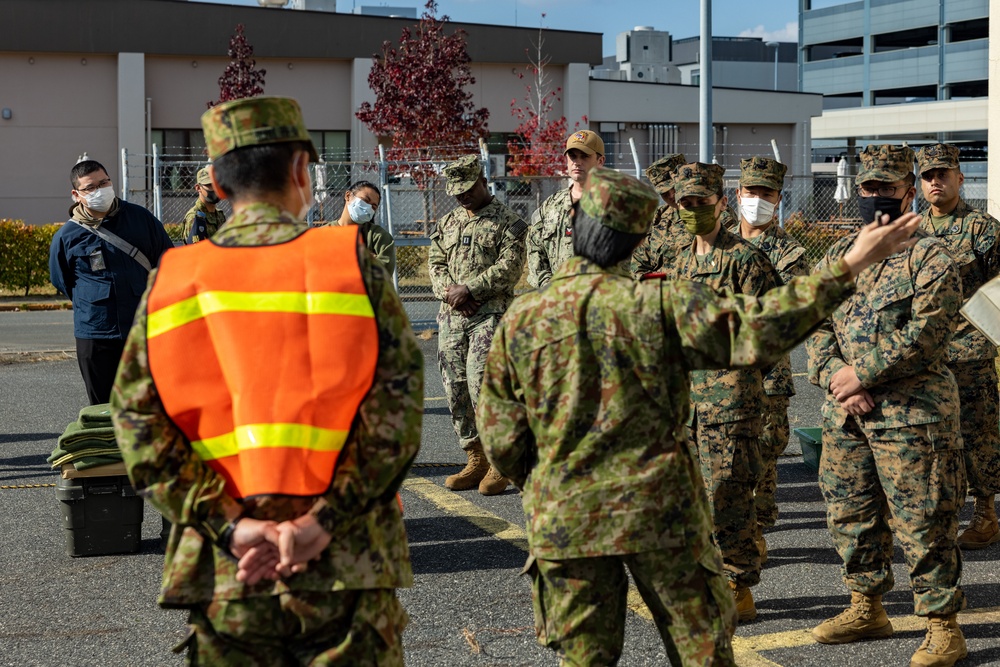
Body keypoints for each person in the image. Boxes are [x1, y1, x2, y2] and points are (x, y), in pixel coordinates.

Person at [477, 166, 924, 667]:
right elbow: (763, 327)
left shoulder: (522, 318)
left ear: (573, 225)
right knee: (702, 652)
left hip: (566, 517)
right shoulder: (659, 303)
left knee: (584, 658)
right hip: (661, 509)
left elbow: (501, 439)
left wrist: (551, 480)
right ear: (638, 236)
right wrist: (850, 264)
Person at [110, 96, 423, 666]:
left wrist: (231, 527)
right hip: (347, 566)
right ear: (303, 170)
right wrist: (320, 523)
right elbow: (396, 424)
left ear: (218, 185)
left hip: (227, 571)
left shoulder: (173, 281)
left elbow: (138, 430)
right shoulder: (353, 266)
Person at [806, 144, 967, 667]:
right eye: (868, 187)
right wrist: (838, 378)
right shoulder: (841, 258)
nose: (876, 196)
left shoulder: (931, 256)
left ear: (907, 191)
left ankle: (943, 626)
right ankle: (865, 606)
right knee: (850, 513)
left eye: (888, 188)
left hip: (913, 413)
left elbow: (930, 332)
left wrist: (863, 372)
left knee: (924, 518)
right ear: (858, 190)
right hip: (847, 414)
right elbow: (816, 325)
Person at [661, 162, 780, 623]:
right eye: (685, 202)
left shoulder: (745, 260)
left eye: (701, 202)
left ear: (720, 202)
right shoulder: (676, 261)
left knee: (729, 496)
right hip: (684, 403)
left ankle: (738, 584)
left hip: (731, 402)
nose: (692, 209)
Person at [916, 143, 1000, 550]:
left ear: (959, 178)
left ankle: (986, 513)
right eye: (929, 175)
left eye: (943, 174)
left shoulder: (982, 227)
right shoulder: (912, 229)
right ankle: (941, 512)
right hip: (925, 355)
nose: (936, 181)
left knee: (979, 434)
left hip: (972, 353)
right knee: (933, 439)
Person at [428, 154, 527, 495]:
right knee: (454, 386)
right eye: (456, 192)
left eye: (468, 190)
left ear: (483, 181)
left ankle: (501, 461)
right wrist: (451, 293)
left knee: (482, 384)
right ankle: (475, 457)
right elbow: (435, 262)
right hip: (453, 316)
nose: (462, 197)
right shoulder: (449, 222)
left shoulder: (508, 221)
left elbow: (510, 267)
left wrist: (470, 289)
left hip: (490, 315)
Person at [729, 157, 810, 562]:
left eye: (766, 193)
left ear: (778, 198)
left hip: (768, 372)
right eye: (751, 192)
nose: (756, 200)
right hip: (720, 374)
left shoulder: (790, 253)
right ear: (737, 194)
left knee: (764, 451)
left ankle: (755, 533)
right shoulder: (718, 241)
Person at [49, 159, 173, 405]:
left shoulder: (141, 219)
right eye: (90, 187)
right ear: (76, 194)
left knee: (149, 406)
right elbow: (62, 280)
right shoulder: (67, 236)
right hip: (95, 333)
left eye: (104, 182)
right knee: (102, 411)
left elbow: (166, 261)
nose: (100, 190)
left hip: (142, 329)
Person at [526, 130, 605, 288]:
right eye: (573, 156)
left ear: (600, 161)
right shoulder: (551, 206)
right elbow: (535, 248)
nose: (577, 162)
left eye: (585, 156)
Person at [630, 152, 686, 277]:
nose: (671, 195)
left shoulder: (713, 213)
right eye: (664, 193)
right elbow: (639, 263)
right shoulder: (658, 218)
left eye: (674, 187)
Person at [325, 180, 396, 276]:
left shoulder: (379, 237)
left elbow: (382, 275)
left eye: (373, 207)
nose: (368, 208)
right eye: (365, 200)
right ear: (348, 196)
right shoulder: (321, 233)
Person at [183, 167, 226, 244]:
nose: (215, 189)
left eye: (217, 184)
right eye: (210, 185)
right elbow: (194, 252)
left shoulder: (220, 215)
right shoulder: (194, 217)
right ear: (198, 188)